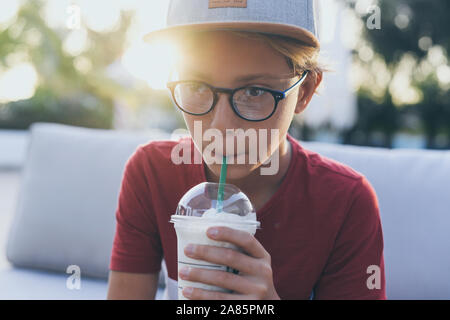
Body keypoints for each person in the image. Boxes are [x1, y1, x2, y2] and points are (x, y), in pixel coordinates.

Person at [107, 0, 386, 300]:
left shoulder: (346, 203)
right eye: (197, 86)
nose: (222, 127)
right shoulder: (151, 173)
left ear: (304, 92)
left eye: (255, 91)